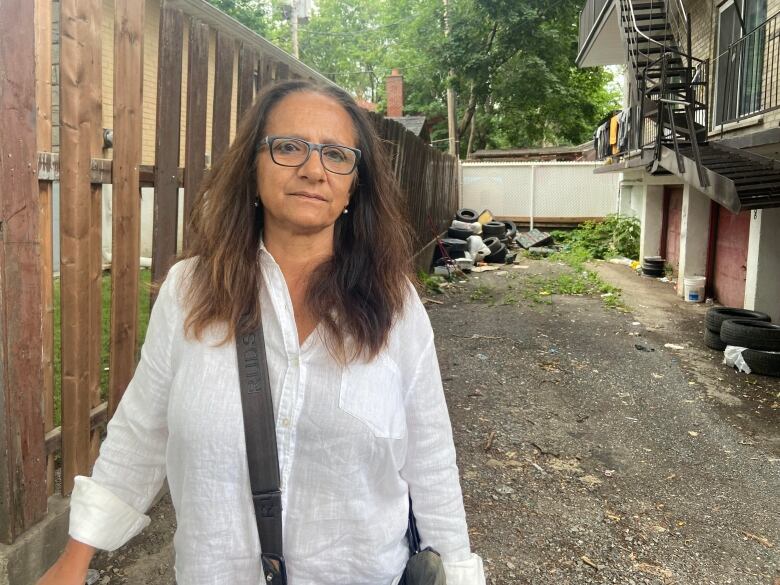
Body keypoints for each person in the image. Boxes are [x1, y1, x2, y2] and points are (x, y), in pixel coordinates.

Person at [37, 80, 486, 585]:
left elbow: (430, 460)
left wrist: (460, 570)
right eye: (289, 147)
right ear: (252, 168)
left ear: (354, 186)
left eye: (336, 154)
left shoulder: (395, 307)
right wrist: (73, 562)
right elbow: (140, 431)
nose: (313, 169)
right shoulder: (191, 292)